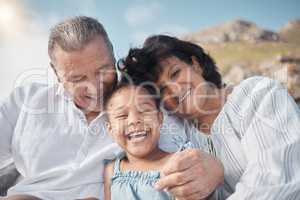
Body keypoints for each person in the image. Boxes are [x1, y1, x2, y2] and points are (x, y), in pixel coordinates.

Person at [0, 17, 223, 200]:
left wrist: (213, 168)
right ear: (55, 72)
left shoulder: (146, 107)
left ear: (113, 55)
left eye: (103, 71)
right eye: (77, 78)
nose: (95, 87)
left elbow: (190, 153)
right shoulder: (26, 100)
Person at [118, 34, 300, 199]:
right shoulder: (181, 137)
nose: (174, 89)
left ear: (196, 65)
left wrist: (219, 172)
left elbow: (273, 182)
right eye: (162, 90)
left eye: (175, 73)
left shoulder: (257, 94)